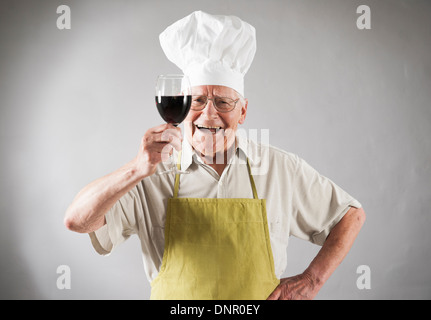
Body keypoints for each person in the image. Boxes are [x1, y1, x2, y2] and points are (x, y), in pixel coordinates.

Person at [64, 11, 365, 300]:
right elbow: (77, 220)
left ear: (243, 111)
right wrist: (136, 169)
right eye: (197, 100)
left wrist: (312, 280)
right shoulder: (151, 173)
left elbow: (351, 215)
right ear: (182, 107)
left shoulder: (279, 168)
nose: (209, 114)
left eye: (223, 101)